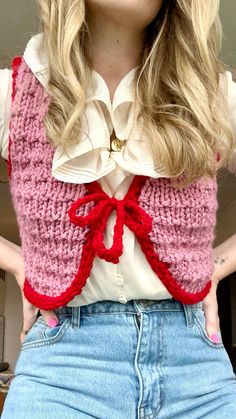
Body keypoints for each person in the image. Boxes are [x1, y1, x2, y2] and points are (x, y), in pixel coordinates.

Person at [0, 0, 236, 417]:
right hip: (63, 366)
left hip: (196, 369)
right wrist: (17, 261)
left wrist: (216, 263)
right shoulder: (14, 92)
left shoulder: (211, 96)